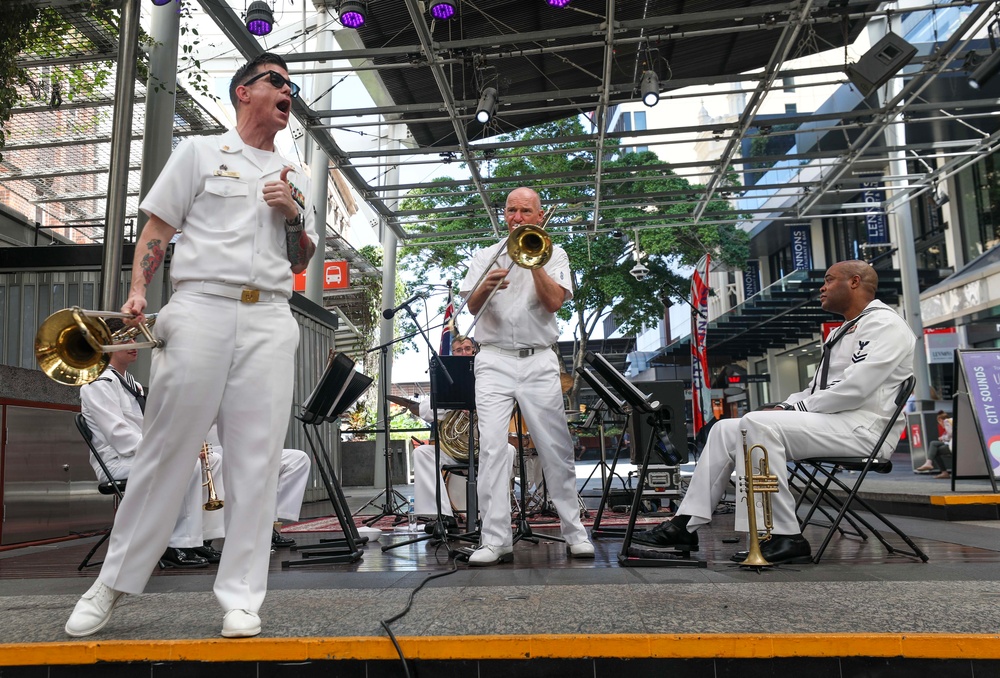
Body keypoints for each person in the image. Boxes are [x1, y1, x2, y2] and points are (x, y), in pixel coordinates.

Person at [65, 52, 318, 639]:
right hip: (200, 307)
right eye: (277, 82)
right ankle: (112, 584)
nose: (288, 92)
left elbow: (300, 262)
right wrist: (135, 291)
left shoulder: (296, 174)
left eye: (292, 86)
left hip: (270, 317)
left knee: (256, 463)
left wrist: (292, 218)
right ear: (243, 92)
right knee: (166, 451)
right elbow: (157, 229)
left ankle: (241, 598)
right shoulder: (200, 152)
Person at [632, 260, 916, 564]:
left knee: (757, 425)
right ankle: (685, 524)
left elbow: (856, 388)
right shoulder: (844, 330)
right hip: (833, 423)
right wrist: (787, 404)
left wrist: (798, 407)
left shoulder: (884, 324)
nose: (822, 287)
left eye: (830, 279)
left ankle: (784, 535)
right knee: (726, 429)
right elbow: (816, 389)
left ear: (855, 282)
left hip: (862, 429)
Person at [459, 186, 594, 566]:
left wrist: (535, 264)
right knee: (491, 449)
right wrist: (483, 288)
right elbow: (470, 309)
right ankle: (495, 538)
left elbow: (554, 302)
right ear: (504, 215)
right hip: (494, 359)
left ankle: (574, 532)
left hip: (538, 361)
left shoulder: (555, 253)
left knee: (556, 447)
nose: (517, 217)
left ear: (538, 216)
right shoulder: (484, 257)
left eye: (525, 211)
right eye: (511, 211)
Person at [80, 320, 224, 569]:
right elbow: (120, 436)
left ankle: (199, 539)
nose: (134, 344)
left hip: (141, 456)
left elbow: (153, 427)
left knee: (212, 460)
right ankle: (173, 543)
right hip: (117, 463)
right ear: (104, 345)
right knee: (184, 464)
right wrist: (170, 449)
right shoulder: (97, 384)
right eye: (125, 339)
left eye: (134, 338)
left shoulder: (132, 384)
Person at [202, 425, 311, 548]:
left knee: (299, 459)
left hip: (249, 449)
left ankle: (267, 523)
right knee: (255, 465)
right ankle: (251, 527)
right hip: (216, 449)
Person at [410, 335, 479, 528]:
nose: (464, 352)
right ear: (452, 353)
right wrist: (452, 405)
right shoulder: (445, 378)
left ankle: (495, 515)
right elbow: (424, 410)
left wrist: (477, 407)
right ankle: (442, 517)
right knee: (422, 453)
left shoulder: (486, 374)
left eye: (467, 348)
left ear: (474, 351)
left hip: (483, 450)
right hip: (454, 452)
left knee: (508, 450)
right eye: (458, 350)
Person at [915, 411, 953, 479]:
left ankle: (929, 463)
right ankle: (942, 472)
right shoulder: (951, 421)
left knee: (933, 445)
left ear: (940, 420)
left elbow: (950, 434)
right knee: (934, 449)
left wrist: (943, 438)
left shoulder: (946, 421)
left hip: (952, 444)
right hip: (953, 444)